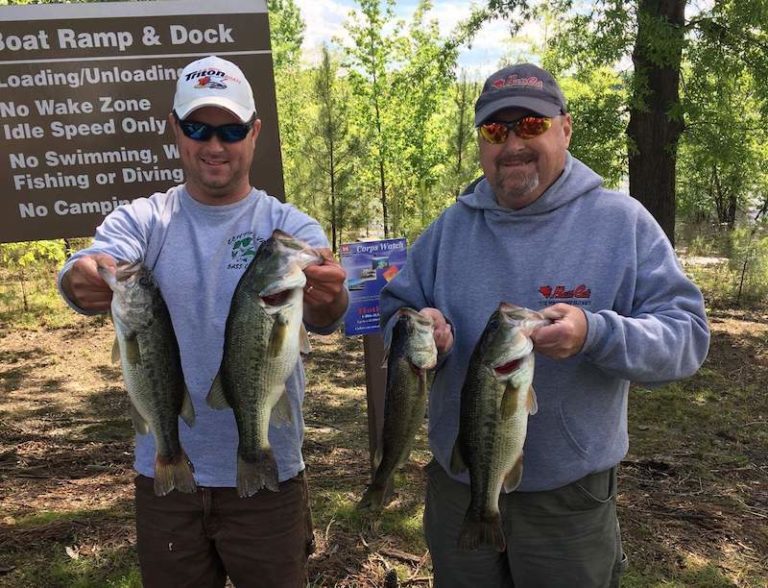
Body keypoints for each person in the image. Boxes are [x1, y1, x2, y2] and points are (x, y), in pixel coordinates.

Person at [379, 63, 710, 588]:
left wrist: (596, 333)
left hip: (569, 501)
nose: (512, 144)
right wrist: (420, 328)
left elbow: (687, 338)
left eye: (531, 125)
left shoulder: (622, 223)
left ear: (565, 128)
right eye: (495, 130)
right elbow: (395, 310)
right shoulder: (449, 228)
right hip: (459, 484)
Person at [58, 55, 348, 588]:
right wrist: (81, 274)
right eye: (198, 128)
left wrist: (330, 295)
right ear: (175, 129)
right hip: (166, 476)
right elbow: (94, 261)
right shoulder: (145, 219)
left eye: (231, 130)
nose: (215, 145)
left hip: (272, 473)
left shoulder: (286, 226)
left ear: (254, 133)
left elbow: (328, 313)